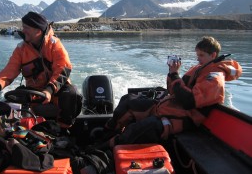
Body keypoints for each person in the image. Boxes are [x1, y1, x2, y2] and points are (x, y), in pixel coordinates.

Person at [103, 36, 242, 147]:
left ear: (213, 55)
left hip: (185, 118)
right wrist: (172, 73)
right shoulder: (198, 68)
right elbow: (173, 91)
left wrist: (175, 75)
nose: (197, 58)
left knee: (138, 129)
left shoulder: (214, 78)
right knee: (128, 101)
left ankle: (106, 148)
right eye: (197, 54)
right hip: (171, 108)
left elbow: (189, 101)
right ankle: (107, 133)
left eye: (201, 55)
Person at [0, 11, 82, 128]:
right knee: (13, 99)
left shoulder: (55, 45)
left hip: (56, 92)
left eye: (26, 27)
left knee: (71, 93)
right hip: (34, 93)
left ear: (38, 31)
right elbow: (10, 69)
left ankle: (64, 129)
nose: (23, 30)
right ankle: (18, 129)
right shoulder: (21, 49)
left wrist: (49, 91)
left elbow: (63, 68)